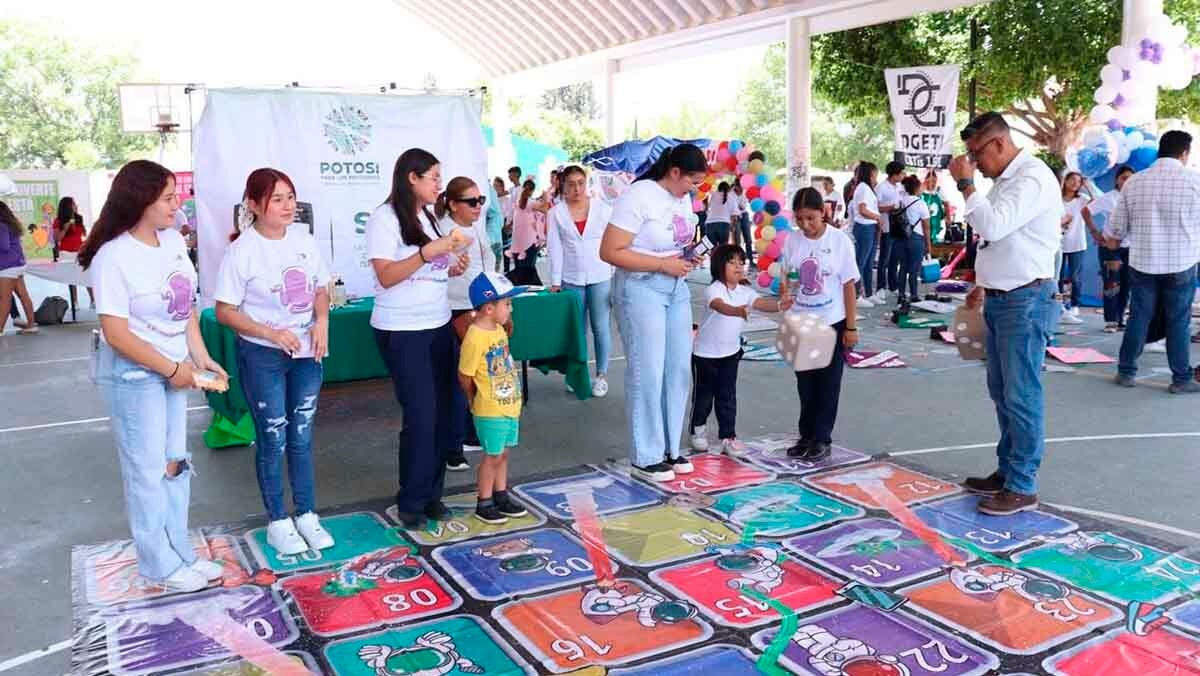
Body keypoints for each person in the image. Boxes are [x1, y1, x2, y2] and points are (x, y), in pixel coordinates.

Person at [79, 159, 228, 592]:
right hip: (134, 378)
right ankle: (158, 564)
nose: (175, 203)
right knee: (146, 472)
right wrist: (174, 370)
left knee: (174, 465)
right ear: (141, 200)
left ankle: (179, 553)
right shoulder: (113, 257)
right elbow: (115, 333)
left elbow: (185, 311)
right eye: (167, 197)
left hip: (174, 372)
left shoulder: (173, 243)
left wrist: (202, 361)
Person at [214, 168, 335, 555]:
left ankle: (307, 514)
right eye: (277, 198)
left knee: (301, 434)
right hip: (262, 354)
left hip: (306, 353)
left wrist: (322, 320)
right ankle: (278, 520)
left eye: (290, 197)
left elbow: (320, 287)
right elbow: (224, 310)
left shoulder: (303, 239)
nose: (287, 205)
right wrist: (269, 333)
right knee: (273, 436)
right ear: (253, 204)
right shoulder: (242, 251)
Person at [949, 112, 1061, 515]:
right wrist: (982, 281)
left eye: (977, 154)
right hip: (1003, 297)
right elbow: (1003, 241)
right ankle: (1009, 469)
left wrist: (965, 184)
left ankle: (1023, 483)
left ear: (998, 143)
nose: (975, 163)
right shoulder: (1006, 182)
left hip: (1025, 301)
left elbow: (993, 227)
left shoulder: (1031, 178)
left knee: (1021, 393)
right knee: (1003, 392)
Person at [367, 148, 471, 529]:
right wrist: (430, 253)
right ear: (412, 177)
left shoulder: (429, 216)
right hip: (402, 329)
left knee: (447, 410)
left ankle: (432, 496)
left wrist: (453, 261)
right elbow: (387, 276)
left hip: (438, 322)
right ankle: (411, 499)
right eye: (433, 178)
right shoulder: (384, 218)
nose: (439, 185)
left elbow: (434, 265)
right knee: (422, 414)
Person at [600, 143, 707, 482]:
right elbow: (610, 251)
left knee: (677, 369)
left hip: (675, 287)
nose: (695, 189)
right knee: (648, 370)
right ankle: (645, 455)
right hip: (641, 287)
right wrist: (662, 264)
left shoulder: (682, 199)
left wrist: (690, 255)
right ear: (674, 172)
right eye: (692, 182)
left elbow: (674, 241)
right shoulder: (639, 195)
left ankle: (670, 448)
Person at [1110, 130, 1200, 394]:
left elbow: (1115, 231)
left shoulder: (1134, 182)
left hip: (1143, 261)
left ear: (1160, 150)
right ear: (1184, 153)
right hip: (1182, 262)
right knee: (1178, 321)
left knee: (1139, 316)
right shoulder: (1195, 181)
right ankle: (1181, 379)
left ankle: (1126, 371)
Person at [779, 187, 860, 461]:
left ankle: (822, 438)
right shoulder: (792, 241)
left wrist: (850, 326)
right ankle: (806, 435)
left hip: (831, 322)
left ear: (823, 212)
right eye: (799, 219)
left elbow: (849, 286)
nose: (805, 225)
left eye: (811, 218)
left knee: (827, 384)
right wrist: (785, 291)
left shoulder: (839, 242)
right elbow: (787, 277)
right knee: (806, 384)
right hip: (801, 322)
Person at [691, 244, 792, 456]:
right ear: (719, 266)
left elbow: (762, 303)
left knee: (727, 395)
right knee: (704, 396)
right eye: (732, 262)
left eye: (741, 262)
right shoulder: (714, 289)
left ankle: (728, 436)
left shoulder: (746, 292)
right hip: (705, 355)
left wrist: (781, 305)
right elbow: (719, 305)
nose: (738, 266)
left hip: (731, 354)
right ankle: (698, 429)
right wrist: (736, 311)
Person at [458, 272, 531, 524]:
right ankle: (484, 501)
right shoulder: (475, 337)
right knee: (492, 455)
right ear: (489, 308)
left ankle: (501, 495)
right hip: (489, 407)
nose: (511, 308)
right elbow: (465, 374)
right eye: (507, 304)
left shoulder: (499, 330)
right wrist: (472, 399)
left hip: (509, 404)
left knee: (503, 454)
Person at [439, 176, 495, 469]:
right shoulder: (445, 231)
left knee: (477, 371)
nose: (477, 206)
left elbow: (487, 262)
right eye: (471, 202)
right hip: (457, 306)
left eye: (480, 200)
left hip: (479, 304)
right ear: (452, 204)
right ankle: (452, 445)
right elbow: (449, 269)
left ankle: (470, 433)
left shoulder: (477, 225)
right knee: (460, 375)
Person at [548, 165, 614, 398]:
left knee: (601, 326)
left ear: (586, 184)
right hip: (571, 277)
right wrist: (555, 281)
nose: (577, 189)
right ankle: (577, 374)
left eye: (580, 183)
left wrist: (615, 273)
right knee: (577, 329)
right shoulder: (556, 213)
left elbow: (612, 242)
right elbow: (555, 248)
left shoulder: (603, 209)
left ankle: (602, 375)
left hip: (601, 275)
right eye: (571, 184)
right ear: (562, 187)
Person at [1082, 165, 1135, 332]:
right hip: (1110, 248)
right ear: (1117, 180)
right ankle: (1111, 321)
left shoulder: (1136, 198)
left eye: (1130, 178)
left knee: (1126, 285)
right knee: (1112, 284)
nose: (1127, 181)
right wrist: (1094, 232)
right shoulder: (1110, 198)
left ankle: (1120, 319)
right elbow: (1086, 210)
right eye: (1123, 178)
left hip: (1130, 248)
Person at [1058, 171, 1092, 324]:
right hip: (1058, 243)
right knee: (1057, 277)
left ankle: (1075, 305)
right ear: (1065, 181)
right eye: (1072, 180)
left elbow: (1097, 201)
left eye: (1078, 182)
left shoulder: (1082, 200)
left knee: (1075, 276)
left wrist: (1087, 185)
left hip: (1077, 243)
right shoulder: (1056, 199)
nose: (1075, 183)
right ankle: (1058, 305)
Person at [0, 201, 39, 335]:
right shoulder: (10, 224)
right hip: (17, 264)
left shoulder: (1, 226)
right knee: (23, 295)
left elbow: (3, 246)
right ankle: (31, 325)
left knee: (4, 298)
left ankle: (0, 329)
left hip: (7, 266)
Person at [895, 175, 934, 305]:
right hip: (916, 238)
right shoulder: (921, 203)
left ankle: (901, 294)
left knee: (903, 267)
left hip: (901, 237)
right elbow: (926, 227)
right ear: (917, 187)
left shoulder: (901, 201)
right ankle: (913, 295)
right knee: (914, 269)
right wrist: (928, 244)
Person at [848, 162, 881, 308]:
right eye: (874, 175)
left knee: (868, 263)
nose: (875, 179)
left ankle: (869, 293)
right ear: (869, 174)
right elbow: (862, 210)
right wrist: (877, 217)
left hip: (870, 227)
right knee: (860, 262)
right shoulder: (862, 188)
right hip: (864, 227)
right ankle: (855, 295)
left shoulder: (867, 188)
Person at [873, 161, 906, 304]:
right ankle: (881, 287)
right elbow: (876, 207)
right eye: (902, 173)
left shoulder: (899, 187)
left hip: (898, 227)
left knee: (895, 258)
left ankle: (893, 286)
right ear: (894, 174)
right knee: (884, 259)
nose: (903, 175)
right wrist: (891, 207)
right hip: (886, 226)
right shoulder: (881, 187)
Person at [507, 179, 545, 284]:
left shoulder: (518, 203)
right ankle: (534, 291)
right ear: (532, 191)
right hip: (529, 243)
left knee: (519, 270)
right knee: (529, 270)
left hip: (517, 243)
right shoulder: (531, 203)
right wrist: (545, 198)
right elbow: (545, 209)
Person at [704, 182, 736, 246]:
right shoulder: (731, 197)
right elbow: (734, 215)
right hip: (724, 224)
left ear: (718, 188)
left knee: (712, 248)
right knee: (723, 249)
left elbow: (706, 205)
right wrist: (732, 226)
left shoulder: (713, 194)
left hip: (710, 223)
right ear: (728, 189)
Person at [731, 182, 754, 265]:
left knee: (748, 238)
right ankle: (739, 260)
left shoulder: (744, 193)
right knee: (737, 240)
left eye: (741, 187)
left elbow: (743, 206)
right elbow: (732, 207)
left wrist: (737, 206)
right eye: (738, 186)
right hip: (735, 217)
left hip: (744, 215)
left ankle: (750, 259)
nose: (740, 188)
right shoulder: (731, 194)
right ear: (735, 186)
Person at [921, 170, 947, 243]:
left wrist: (948, 218)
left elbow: (946, 204)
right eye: (931, 181)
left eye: (935, 181)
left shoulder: (938, 190)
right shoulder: (921, 190)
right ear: (926, 180)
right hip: (923, 220)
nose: (933, 183)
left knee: (934, 238)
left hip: (935, 219)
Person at [489, 178, 508, 272]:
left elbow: (498, 214)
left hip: (496, 231)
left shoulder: (504, 199)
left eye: (497, 185)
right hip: (494, 231)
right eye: (494, 185)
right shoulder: (491, 192)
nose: (495, 187)